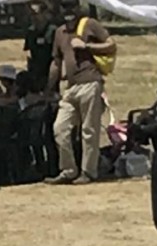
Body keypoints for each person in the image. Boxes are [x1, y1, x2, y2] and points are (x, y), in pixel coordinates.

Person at [44, 0, 116, 185]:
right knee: (59, 128)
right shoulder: (59, 32)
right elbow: (56, 62)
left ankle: (88, 172)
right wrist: (49, 87)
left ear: (78, 7)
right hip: (70, 88)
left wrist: (87, 46)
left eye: (71, 6)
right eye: (64, 6)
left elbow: (111, 45)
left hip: (90, 83)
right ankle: (68, 170)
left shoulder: (90, 24)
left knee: (89, 130)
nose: (68, 10)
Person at [24, 1, 57, 93]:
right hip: (35, 75)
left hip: (50, 74)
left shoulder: (53, 31)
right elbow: (28, 52)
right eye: (31, 14)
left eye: (36, 13)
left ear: (45, 13)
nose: (33, 17)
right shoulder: (30, 32)